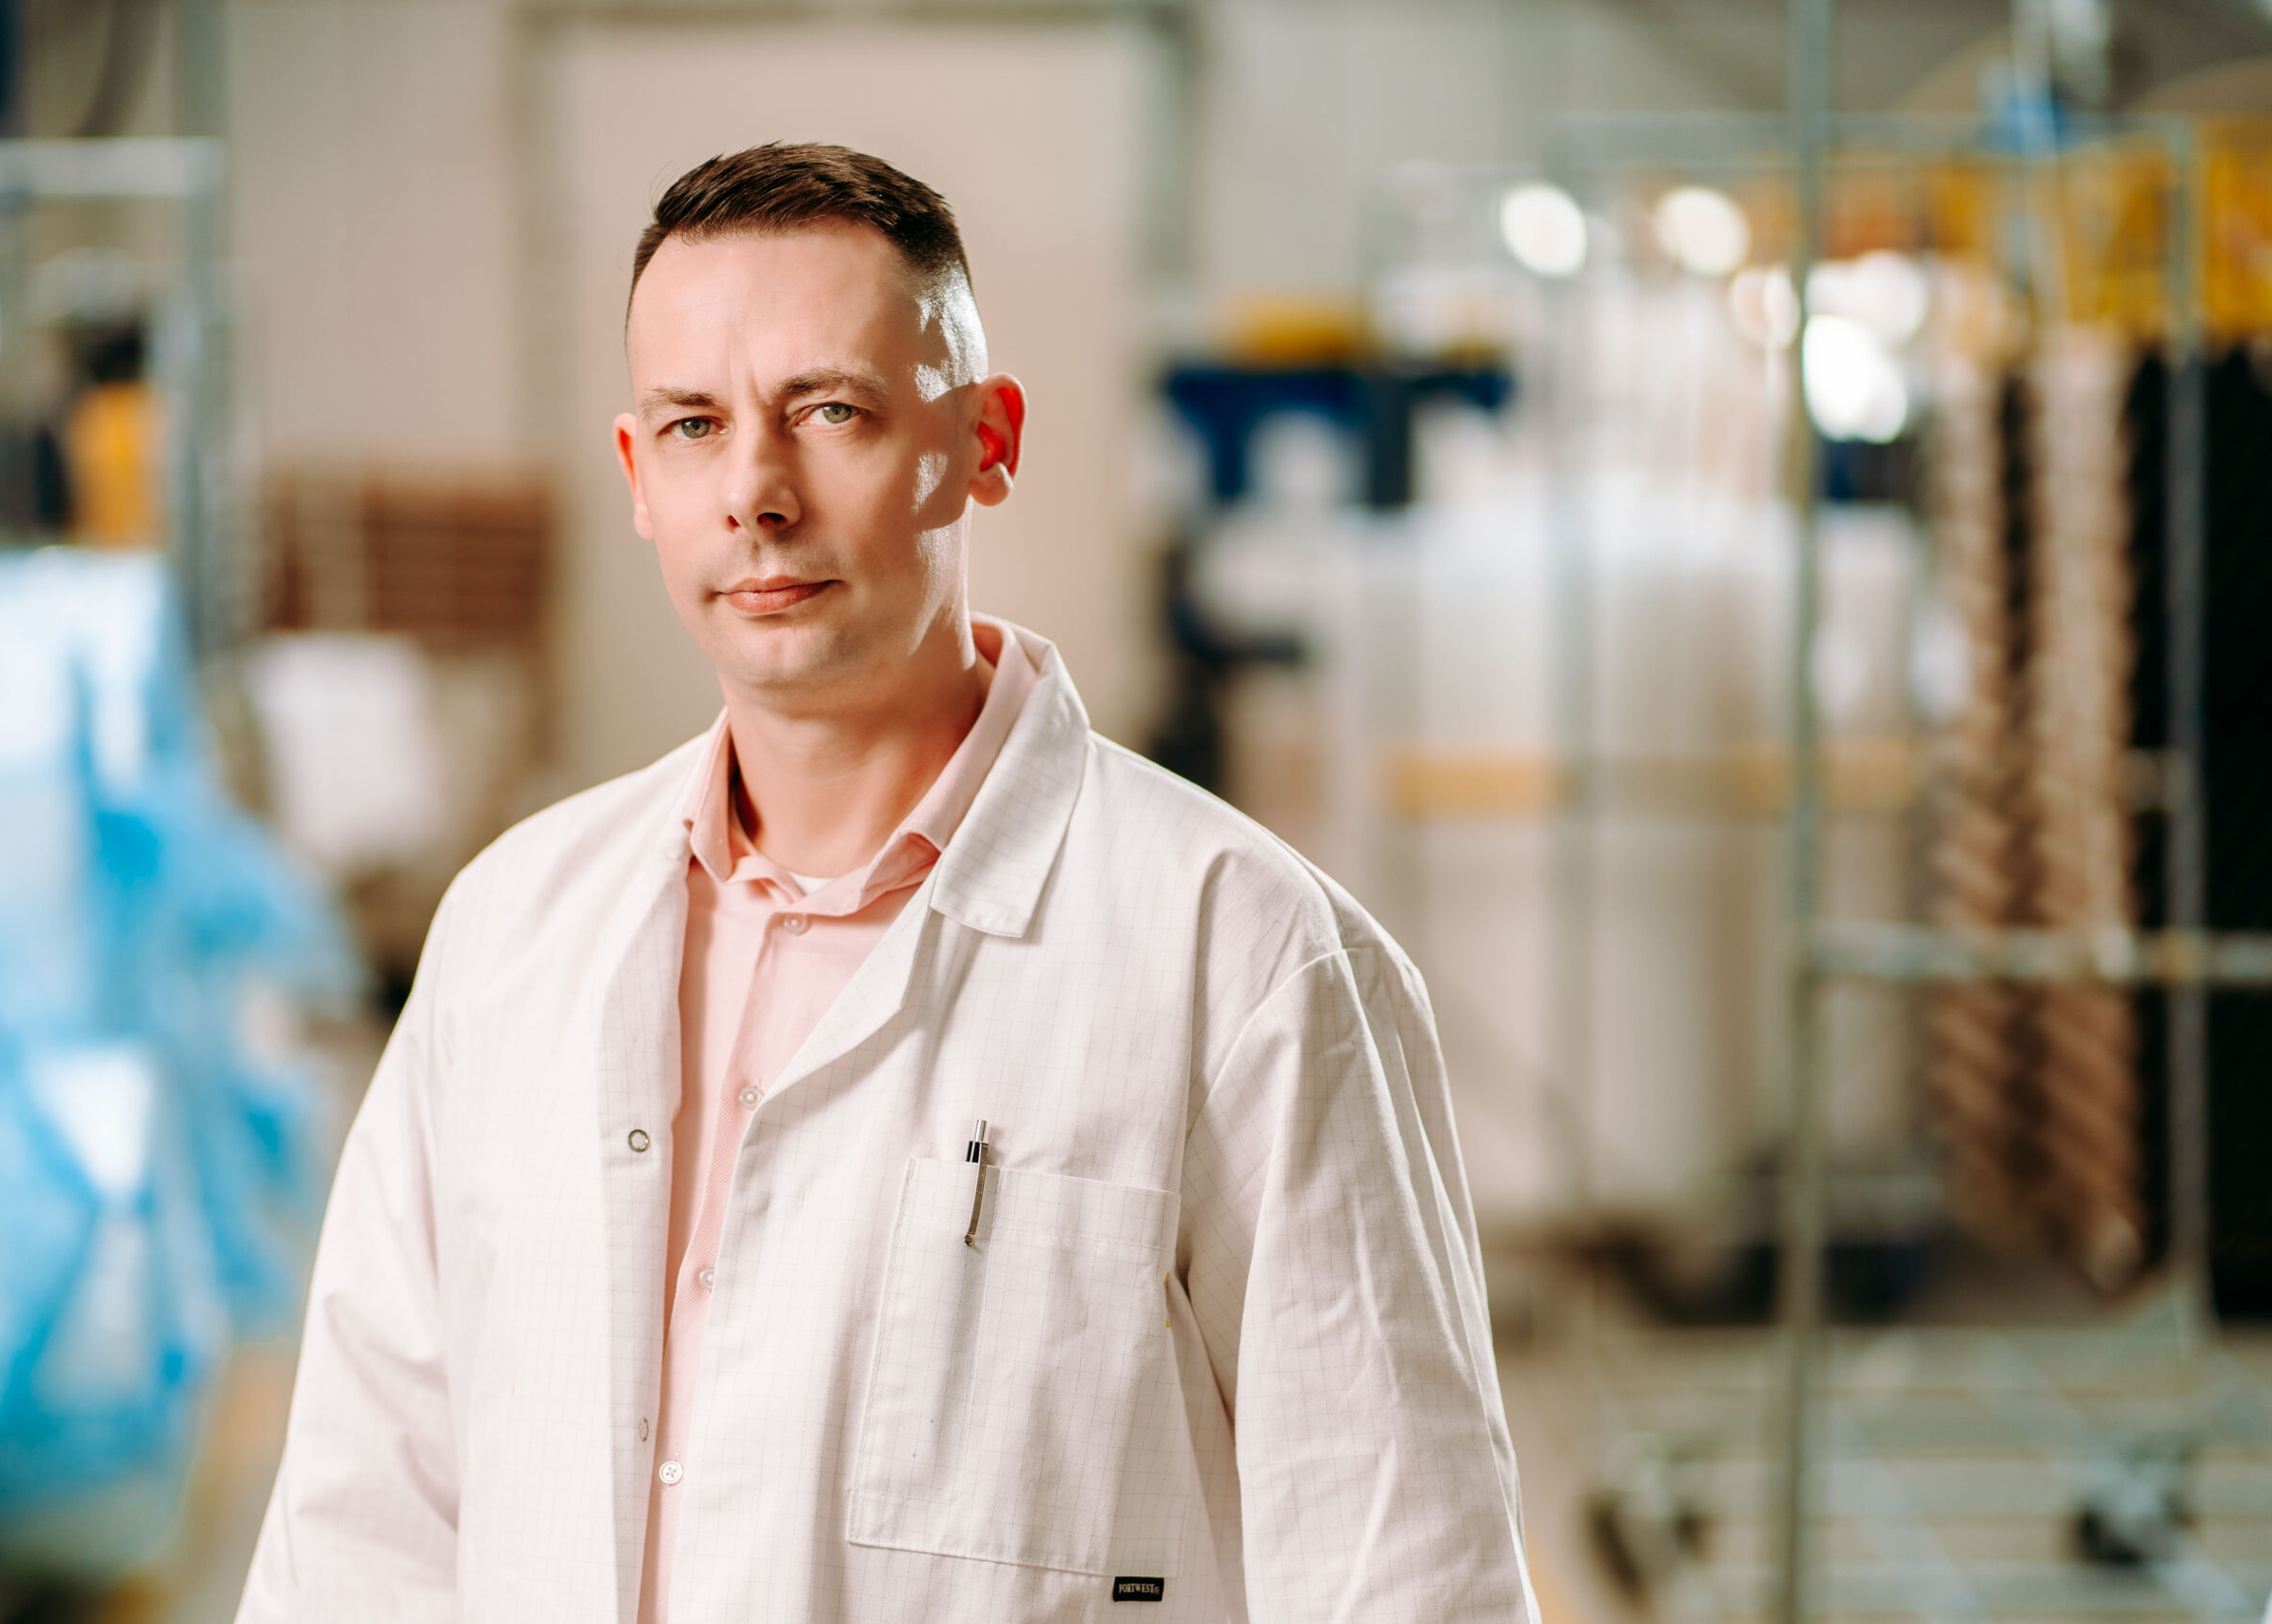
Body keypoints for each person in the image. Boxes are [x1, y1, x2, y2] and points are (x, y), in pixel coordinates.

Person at [238, 143, 1537, 1624]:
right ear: (636, 478)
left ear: (986, 440)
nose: (757, 494)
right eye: (693, 427)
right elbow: (363, 1530)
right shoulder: (510, 935)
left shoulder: (1242, 961)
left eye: (832, 412)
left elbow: (1405, 1579)